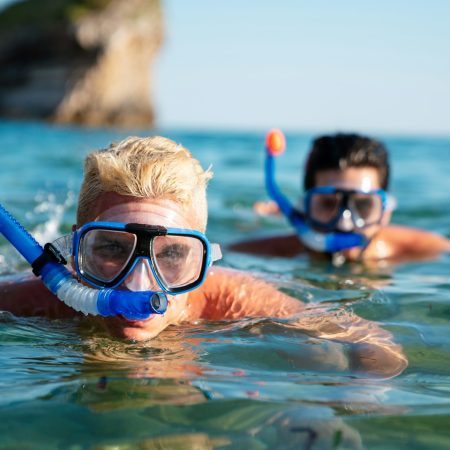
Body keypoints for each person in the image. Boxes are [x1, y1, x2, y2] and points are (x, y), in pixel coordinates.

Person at [0, 135, 407, 377]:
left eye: (172, 254)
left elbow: (371, 340)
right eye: (110, 249)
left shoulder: (230, 297)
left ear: (204, 260)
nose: (138, 283)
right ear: (75, 251)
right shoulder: (41, 296)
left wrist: (362, 397)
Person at [229, 132, 450, 263]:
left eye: (363, 205)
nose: (345, 223)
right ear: (304, 208)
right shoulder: (262, 252)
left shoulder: (426, 249)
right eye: (327, 203)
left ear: (385, 212)